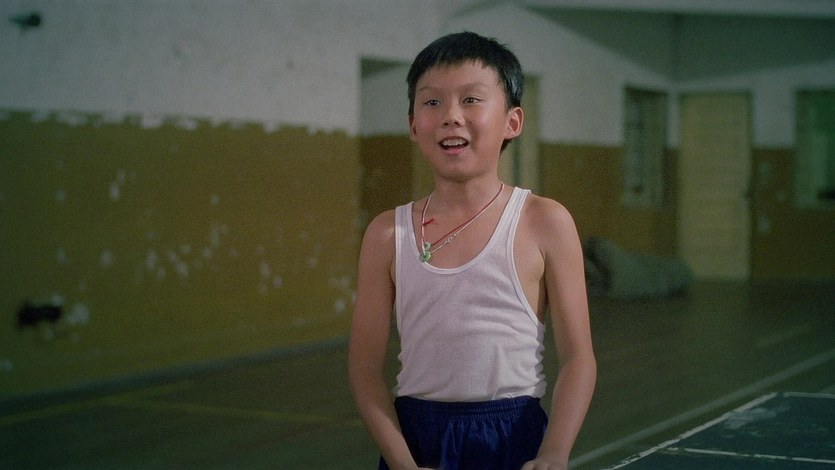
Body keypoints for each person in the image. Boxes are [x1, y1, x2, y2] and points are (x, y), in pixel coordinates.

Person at [348, 31, 596, 470]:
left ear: (512, 122)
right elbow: (365, 369)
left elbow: (578, 358)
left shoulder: (544, 221)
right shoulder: (387, 234)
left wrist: (554, 453)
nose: (451, 117)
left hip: (513, 436)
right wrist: (402, 463)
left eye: (471, 100)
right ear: (413, 125)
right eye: (432, 102)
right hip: (416, 440)